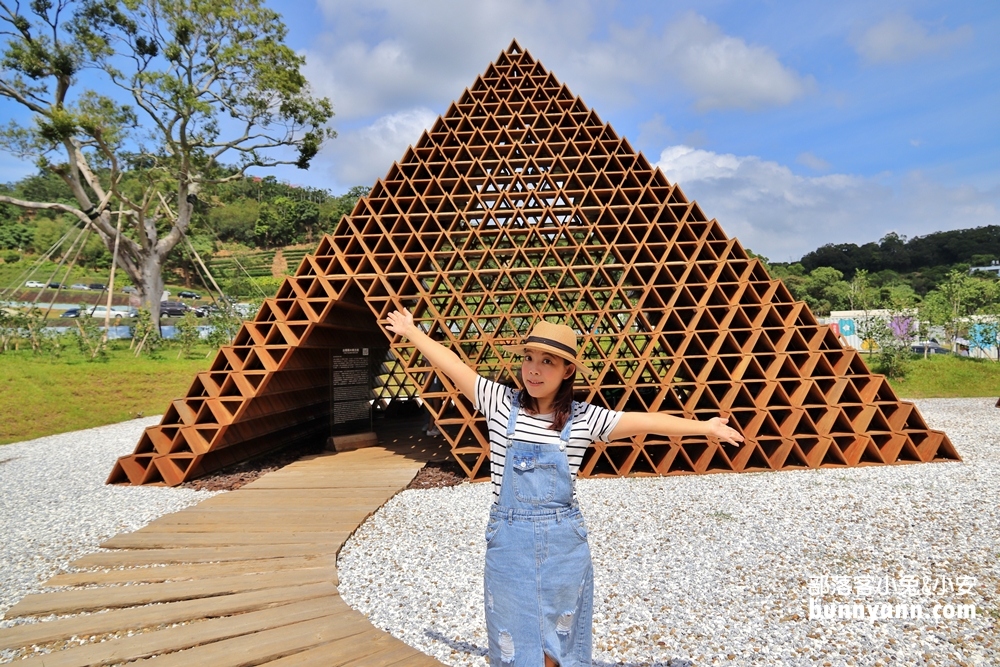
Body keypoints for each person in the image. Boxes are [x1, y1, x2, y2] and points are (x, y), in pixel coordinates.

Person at [384, 309, 744, 667]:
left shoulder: (585, 418)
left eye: (547, 362)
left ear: (568, 370)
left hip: (564, 544)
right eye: (528, 359)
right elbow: (453, 366)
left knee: (560, 643)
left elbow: (644, 422)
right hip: (508, 541)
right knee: (509, 638)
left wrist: (705, 428)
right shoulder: (499, 403)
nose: (534, 370)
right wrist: (412, 332)